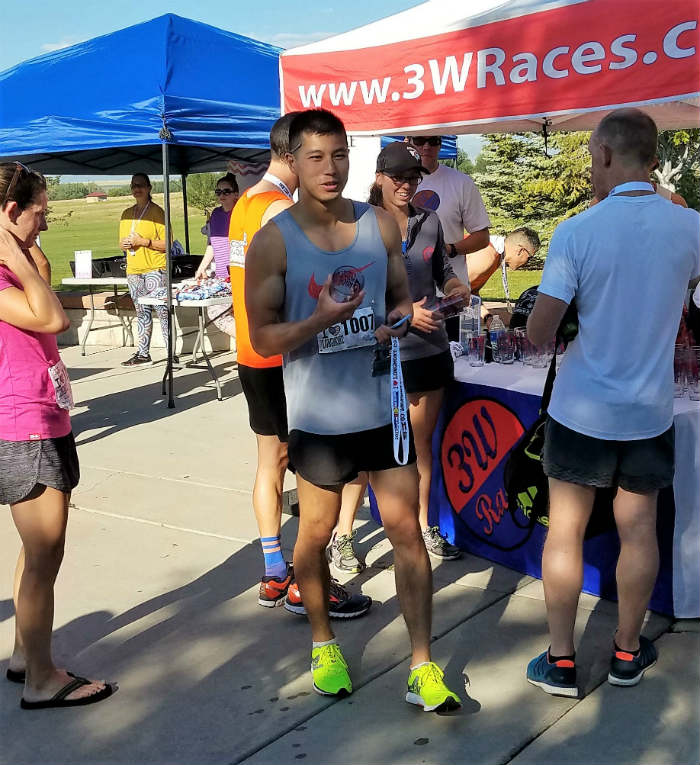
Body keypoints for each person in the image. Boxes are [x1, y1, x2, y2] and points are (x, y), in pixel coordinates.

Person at [245, 108, 461, 711]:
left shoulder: (379, 226)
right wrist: (317, 321)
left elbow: (398, 298)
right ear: (293, 160)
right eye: (315, 157)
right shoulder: (274, 239)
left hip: (381, 409)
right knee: (314, 534)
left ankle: (422, 664)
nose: (331, 168)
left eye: (339, 154)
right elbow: (262, 339)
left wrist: (395, 321)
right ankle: (323, 642)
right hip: (318, 418)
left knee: (406, 533)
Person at [526, 108, 700, 698]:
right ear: (652, 158)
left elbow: (540, 332)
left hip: (582, 409)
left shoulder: (578, 230)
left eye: (590, 157)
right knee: (640, 529)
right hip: (649, 409)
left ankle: (562, 661)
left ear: (604, 154)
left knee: (566, 532)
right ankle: (627, 652)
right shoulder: (690, 226)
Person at [229, 114, 369, 614]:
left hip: (249, 350)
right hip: (283, 354)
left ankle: (273, 571)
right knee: (312, 474)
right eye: (314, 156)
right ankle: (308, 582)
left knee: (270, 464)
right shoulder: (281, 212)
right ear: (293, 157)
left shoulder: (244, 202)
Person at [0, 162, 115, 709]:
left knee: (36, 551)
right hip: (22, 426)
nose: (44, 224)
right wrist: (14, 250)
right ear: (11, 212)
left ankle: (27, 655)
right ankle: (43, 680)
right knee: (46, 556)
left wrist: (23, 251)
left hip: (43, 415)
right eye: (39, 213)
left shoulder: (13, 263)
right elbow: (52, 318)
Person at [364, 141, 469, 560]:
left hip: (428, 351)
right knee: (376, 448)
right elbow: (356, 290)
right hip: (382, 351)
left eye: (413, 178)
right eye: (398, 178)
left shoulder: (430, 221)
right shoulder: (361, 224)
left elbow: (441, 271)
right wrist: (402, 315)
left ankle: (423, 527)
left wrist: (457, 287)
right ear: (379, 179)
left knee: (420, 447)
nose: (407, 185)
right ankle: (344, 538)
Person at [408, 136, 490, 340]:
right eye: (420, 140)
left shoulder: (460, 182)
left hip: (450, 298)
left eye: (434, 140)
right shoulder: (396, 184)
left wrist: (449, 249)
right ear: (408, 141)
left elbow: (482, 236)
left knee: (455, 367)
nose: (426, 146)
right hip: (410, 302)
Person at [118, 173, 170, 366]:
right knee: (141, 311)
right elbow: (121, 243)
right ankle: (142, 352)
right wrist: (125, 244)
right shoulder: (126, 214)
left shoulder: (157, 213)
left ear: (149, 188)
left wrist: (144, 242)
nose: (136, 189)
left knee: (162, 311)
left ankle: (171, 352)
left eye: (140, 185)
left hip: (155, 268)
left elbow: (168, 244)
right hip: (134, 270)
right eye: (133, 186)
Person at [194, 172, 239, 337]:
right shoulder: (216, 215)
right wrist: (201, 268)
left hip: (240, 274)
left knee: (219, 312)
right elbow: (212, 245)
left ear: (236, 193)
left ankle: (247, 343)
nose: (222, 195)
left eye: (226, 191)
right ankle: (246, 343)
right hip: (221, 276)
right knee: (216, 312)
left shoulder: (241, 213)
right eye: (218, 192)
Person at [467, 227, 541, 297]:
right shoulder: (487, 256)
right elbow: (457, 289)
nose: (527, 262)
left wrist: (485, 310)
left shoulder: (497, 254)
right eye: (529, 257)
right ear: (521, 251)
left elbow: (471, 292)